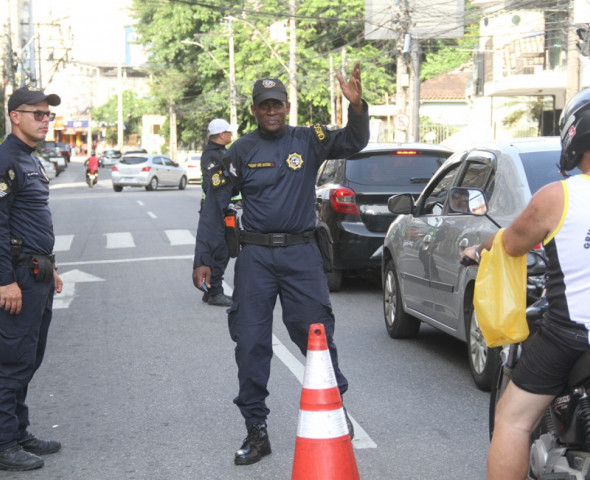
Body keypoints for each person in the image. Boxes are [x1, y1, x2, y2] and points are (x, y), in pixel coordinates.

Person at [192, 62, 369, 466]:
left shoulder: (309, 139)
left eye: (277, 104)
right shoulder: (240, 150)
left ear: (287, 107)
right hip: (255, 257)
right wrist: (204, 258)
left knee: (315, 334)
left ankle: (336, 408)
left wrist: (357, 107)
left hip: (301, 254)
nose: (271, 111)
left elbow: (354, 141)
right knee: (250, 343)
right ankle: (256, 430)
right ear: (254, 111)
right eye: (263, 105)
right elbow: (215, 204)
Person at [462, 88, 590, 480]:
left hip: (572, 335)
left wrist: (477, 250)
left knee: (513, 419)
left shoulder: (558, 197)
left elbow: (510, 243)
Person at [0, 86, 64, 471]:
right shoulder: (6, 159)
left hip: (37, 272)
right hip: (18, 277)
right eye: (37, 113)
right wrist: (5, 281)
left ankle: (18, 431)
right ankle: (4, 442)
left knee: (29, 358)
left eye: (48, 115)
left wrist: (51, 265)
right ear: (15, 116)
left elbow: (32, 221)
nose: (44, 120)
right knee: (12, 361)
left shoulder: (29, 159)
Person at [198, 119, 235, 307]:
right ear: (221, 135)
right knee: (221, 251)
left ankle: (211, 289)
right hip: (216, 210)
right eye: (228, 132)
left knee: (224, 249)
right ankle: (215, 292)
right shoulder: (212, 156)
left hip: (223, 208)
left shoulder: (220, 152)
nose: (231, 134)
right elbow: (214, 185)